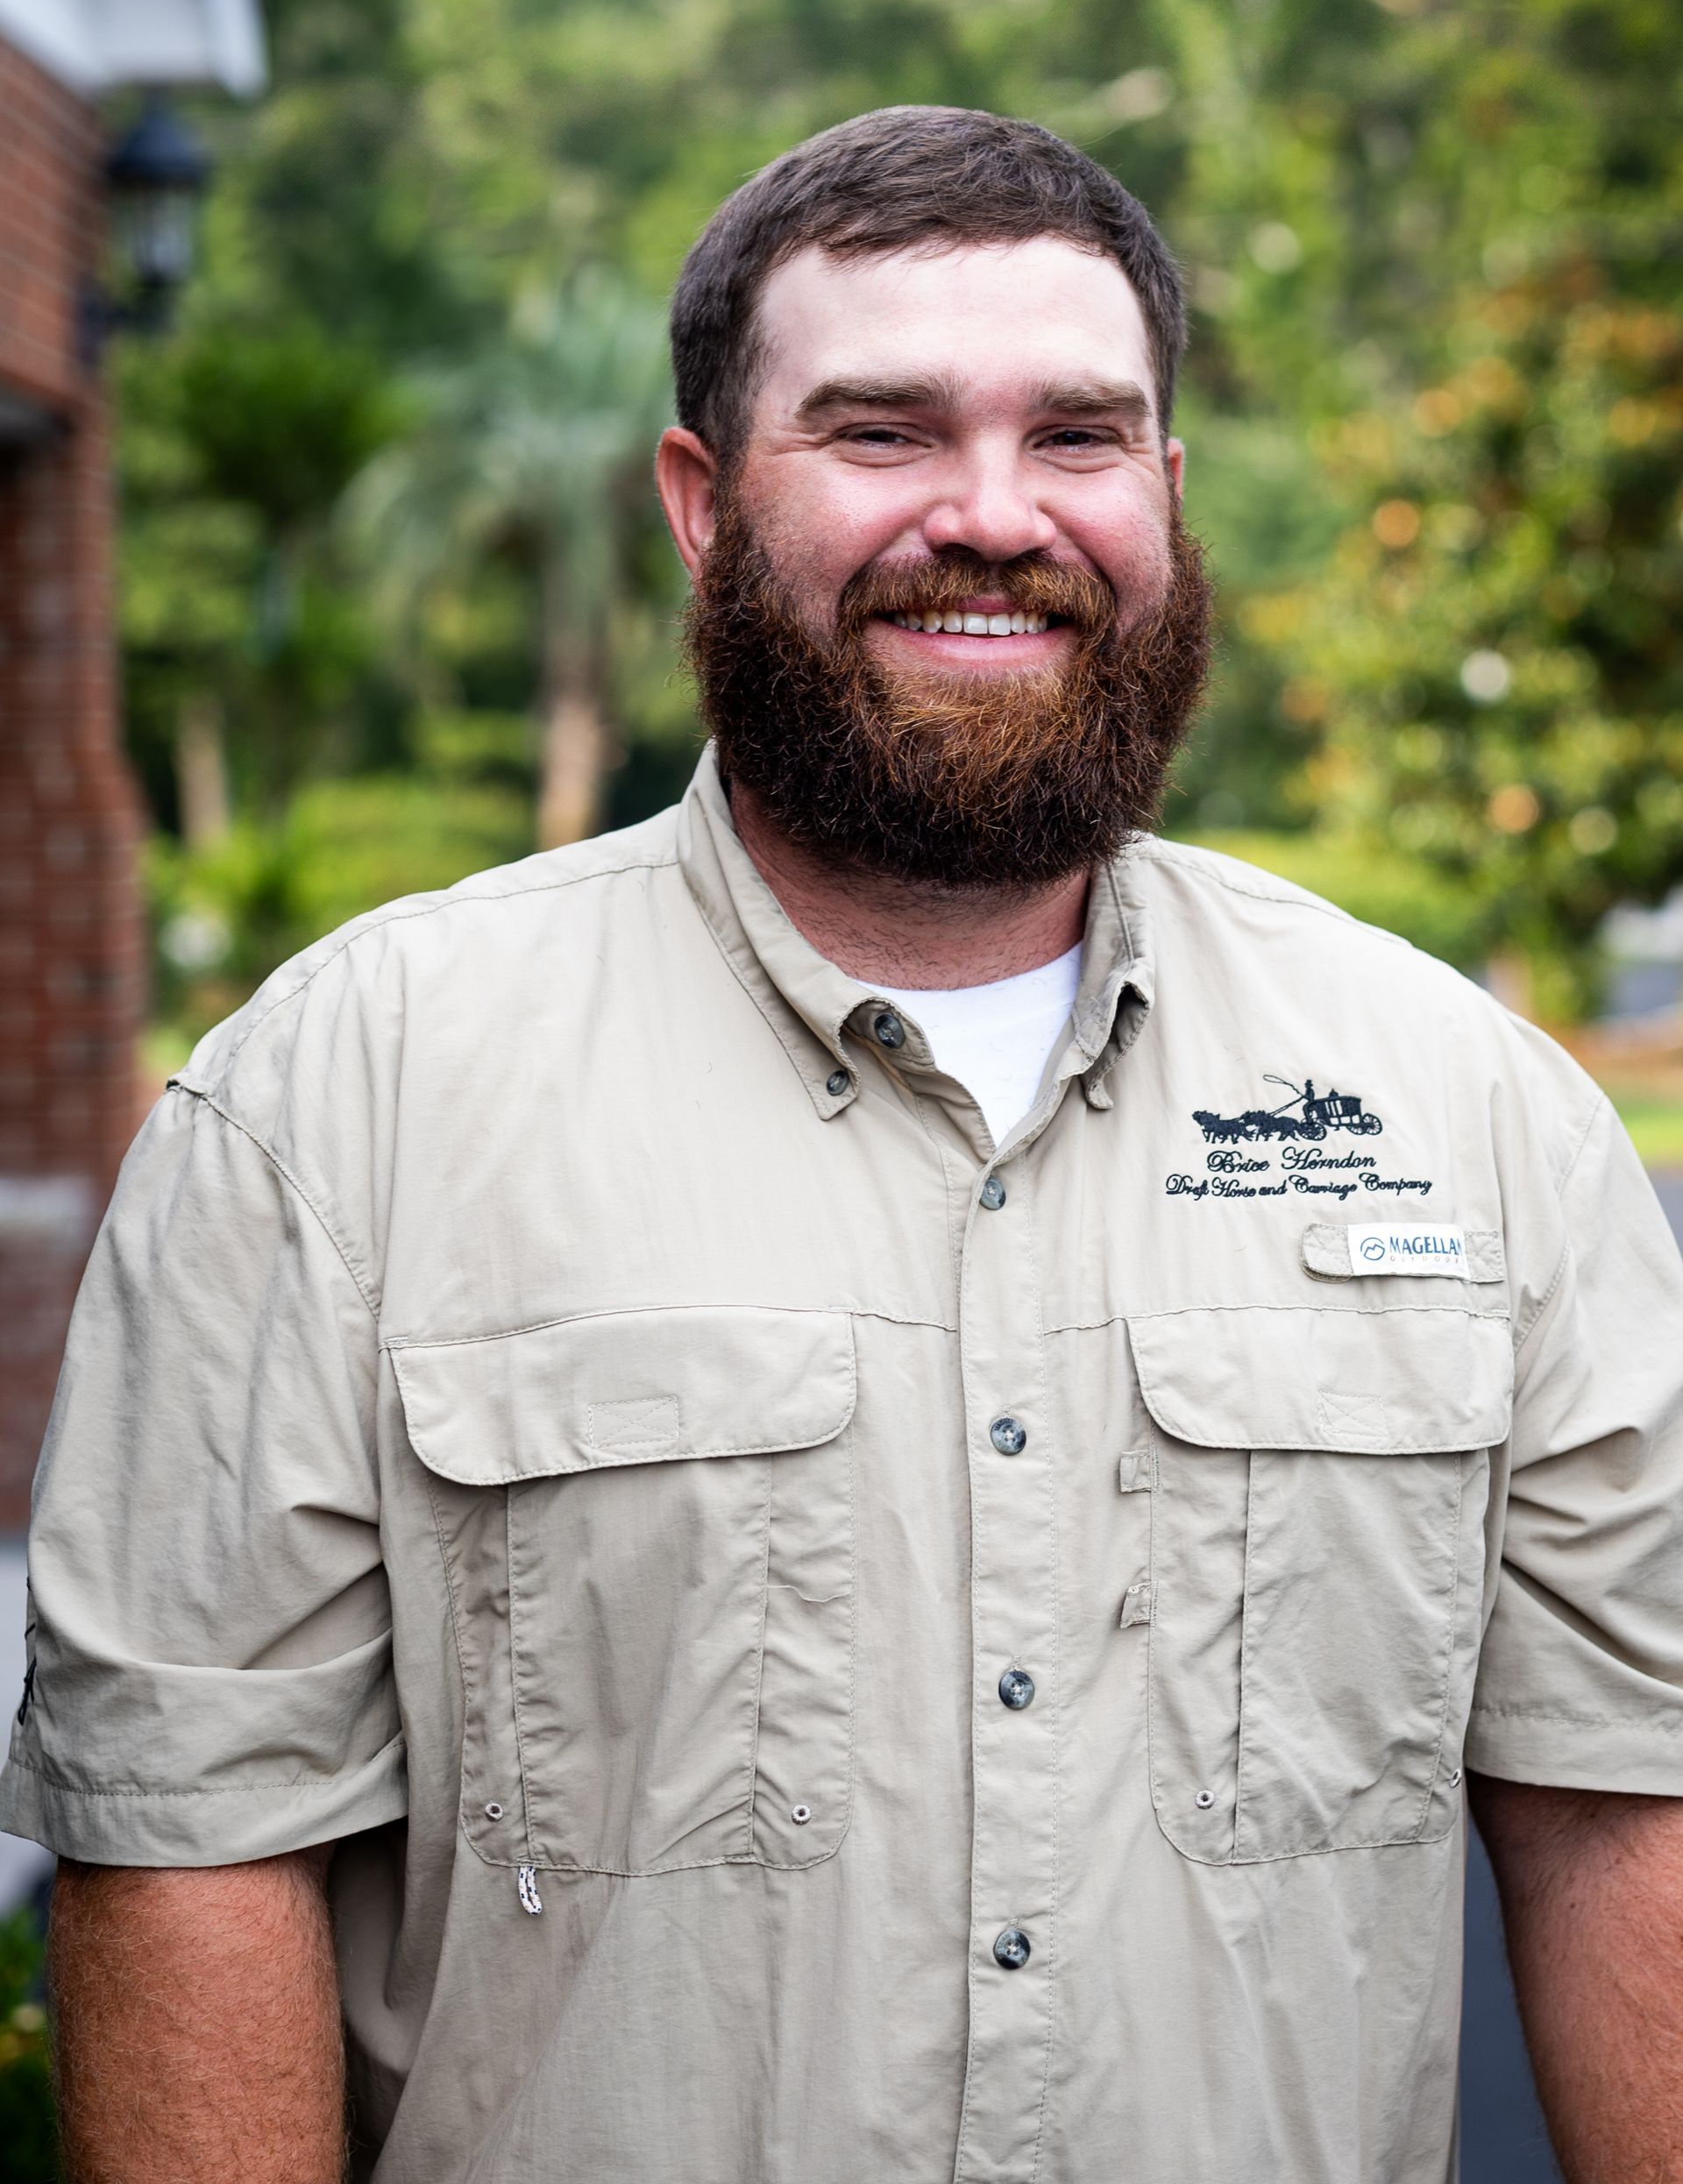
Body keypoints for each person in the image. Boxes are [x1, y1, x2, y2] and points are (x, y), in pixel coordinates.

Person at [7, 106, 1683, 2184]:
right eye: (883, 432)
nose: (994, 514)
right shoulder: (335, 1111)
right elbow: (194, 1861)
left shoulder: (1476, 1114)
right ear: (703, 504)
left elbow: (1624, 1815)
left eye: (1078, 437)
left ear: (1166, 494)